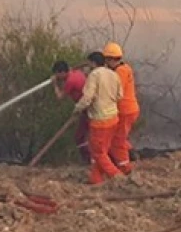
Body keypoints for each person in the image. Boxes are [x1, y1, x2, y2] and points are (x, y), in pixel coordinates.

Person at [74, 51, 124, 185]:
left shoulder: (94, 75)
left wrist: (77, 109)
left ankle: (117, 176)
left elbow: (87, 98)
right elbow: (120, 95)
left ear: (93, 63)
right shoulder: (114, 74)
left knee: (97, 152)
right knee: (103, 151)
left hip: (100, 120)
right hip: (113, 118)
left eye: (89, 63)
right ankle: (96, 179)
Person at [103, 42, 140, 174]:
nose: (106, 63)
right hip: (127, 110)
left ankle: (125, 168)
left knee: (117, 140)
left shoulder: (121, 72)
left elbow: (115, 92)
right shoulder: (123, 69)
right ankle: (130, 154)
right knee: (118, 137)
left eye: (107, 60)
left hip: (125, 111)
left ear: (111, 59)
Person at [51, 59, 89, 163]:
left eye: (57, 74)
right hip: (86, 107)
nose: (57, 77)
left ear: (62, 72)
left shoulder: (70, 81)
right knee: (86, 135)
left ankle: (88, 159)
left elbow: (60, 97)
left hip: (87, 109)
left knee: (80, 137)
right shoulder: (77, 73)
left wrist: (54, 84)